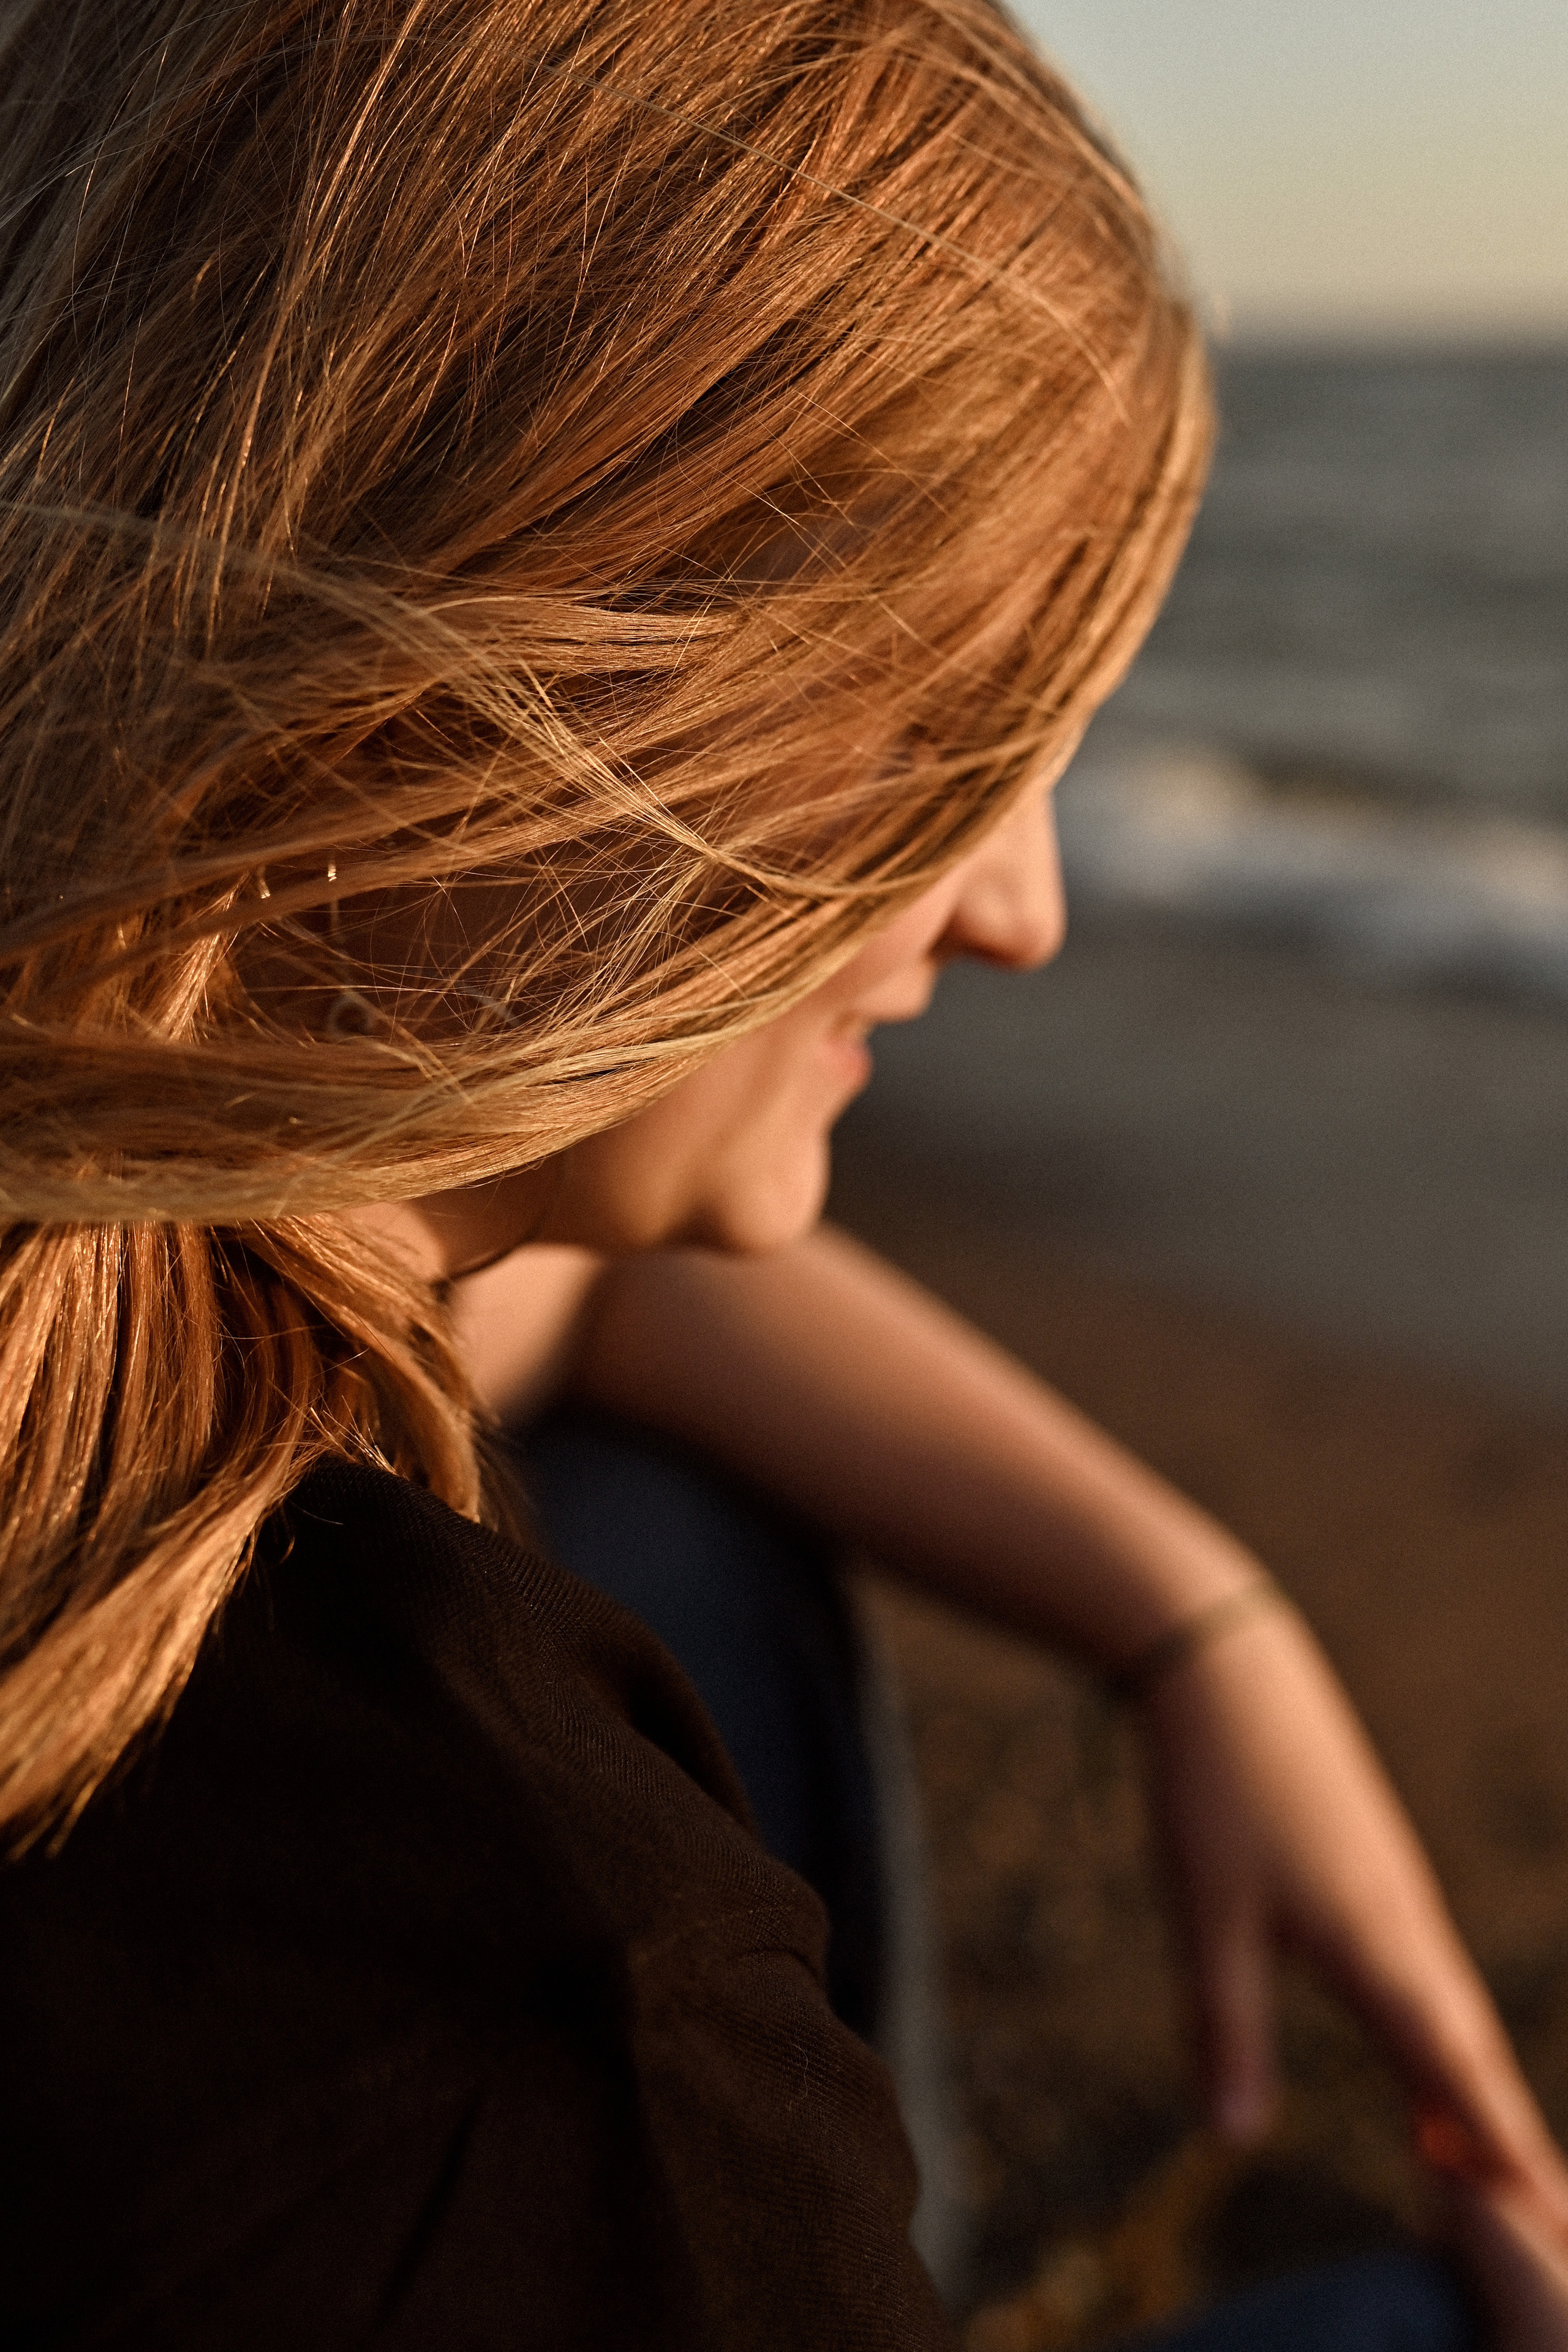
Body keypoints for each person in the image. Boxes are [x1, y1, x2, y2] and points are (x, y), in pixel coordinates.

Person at [0, 0, 1564, 2344]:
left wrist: (1186, 1613)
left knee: (672, 1511)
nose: (1023, 910)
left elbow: (590, 1294)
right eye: (958, 742)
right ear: (487, 684)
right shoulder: (549, 2015)